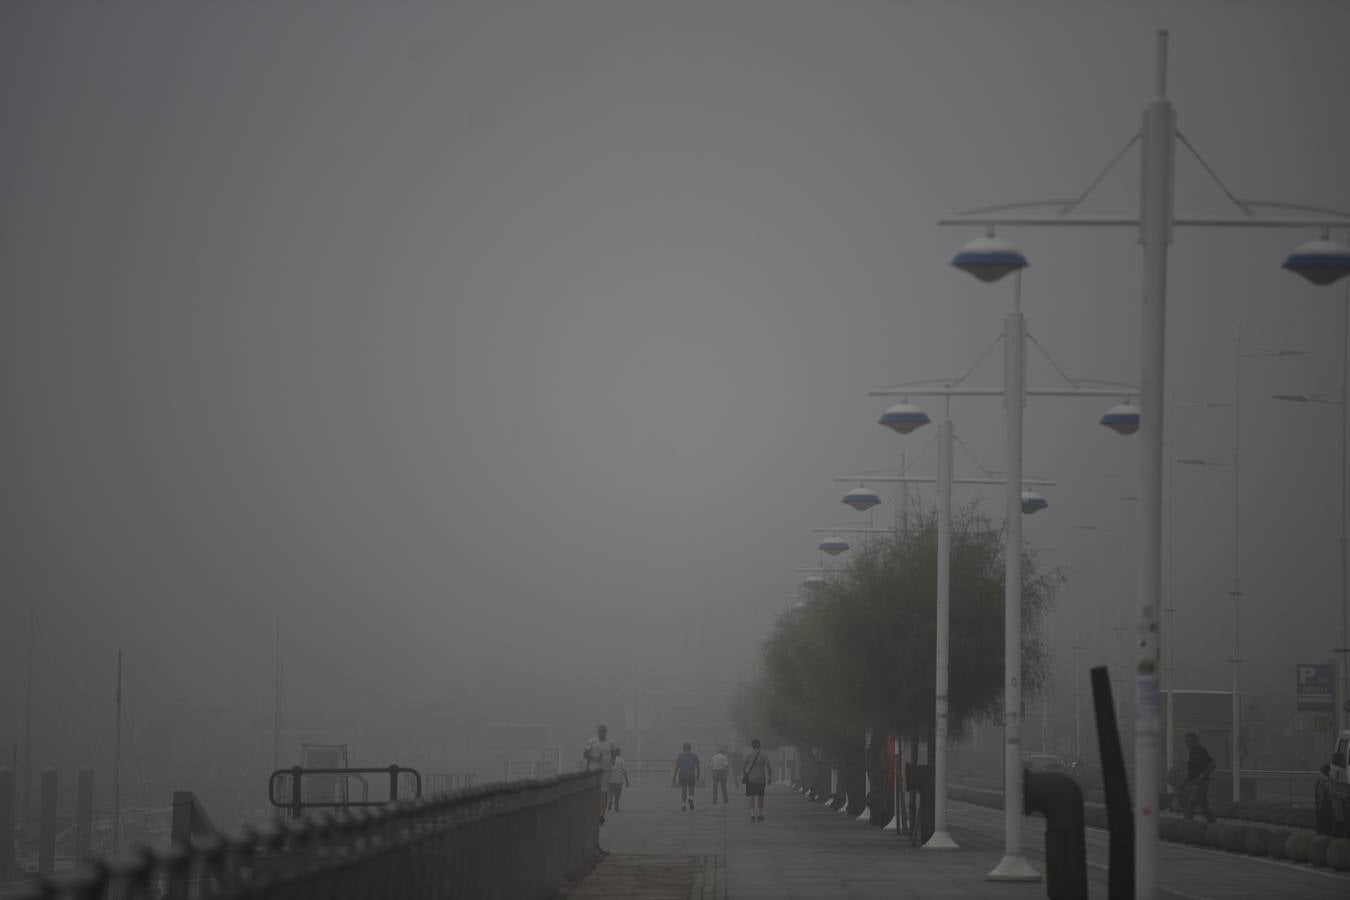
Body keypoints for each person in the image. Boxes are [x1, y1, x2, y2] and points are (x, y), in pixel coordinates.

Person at [1181, 732, 1217, 823]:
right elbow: (1193, 768)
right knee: (1205, 807)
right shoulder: (1192, 751)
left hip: (1202, 782)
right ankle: (1213, 823)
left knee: (1191, 804)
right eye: (1185, 742)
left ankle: (1187, 824)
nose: (1187, 744)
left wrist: (1201, 776)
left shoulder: (1201, 751)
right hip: (1195, 782)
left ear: (1195, 741)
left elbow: (1213, 765)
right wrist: (1186, 781)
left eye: (1188, 741)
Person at [583, 724, 615, 825]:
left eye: (603, 732)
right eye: (600, 731)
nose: (602, 733)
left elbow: (613, 752)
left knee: (604, 792)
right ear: (597, 732)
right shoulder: (592, 741)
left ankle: (601, 815)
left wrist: (613, 760)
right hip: (594, 769)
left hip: (606, 770)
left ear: (606, 732)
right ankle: (593, 812)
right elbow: (585, 754)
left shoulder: (610, 742)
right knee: (594, 791)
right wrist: (594, 759)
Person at [742, 738, 772, 822]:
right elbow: (768, 766)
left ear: (752, 746)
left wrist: (745, 775)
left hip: (751, 779)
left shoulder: (748, 755)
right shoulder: (764, 755)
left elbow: (743, 767)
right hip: (761, 779)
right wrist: (770, 777)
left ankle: (752, 815)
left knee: (751, 796)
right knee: (760, 796)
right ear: (760, 745)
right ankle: (760, 814)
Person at [671, 742, 701, 810]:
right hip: (691, 775)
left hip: (682, 775)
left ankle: (683, 805)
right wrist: (698, 776)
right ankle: (690, 798)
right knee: (691, 789)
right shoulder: (694, 755)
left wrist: (674, 777)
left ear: (683, 747)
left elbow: (677, 767)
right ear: (690, 747)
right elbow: (698, 766)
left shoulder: (680, 755)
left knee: (683, 790)